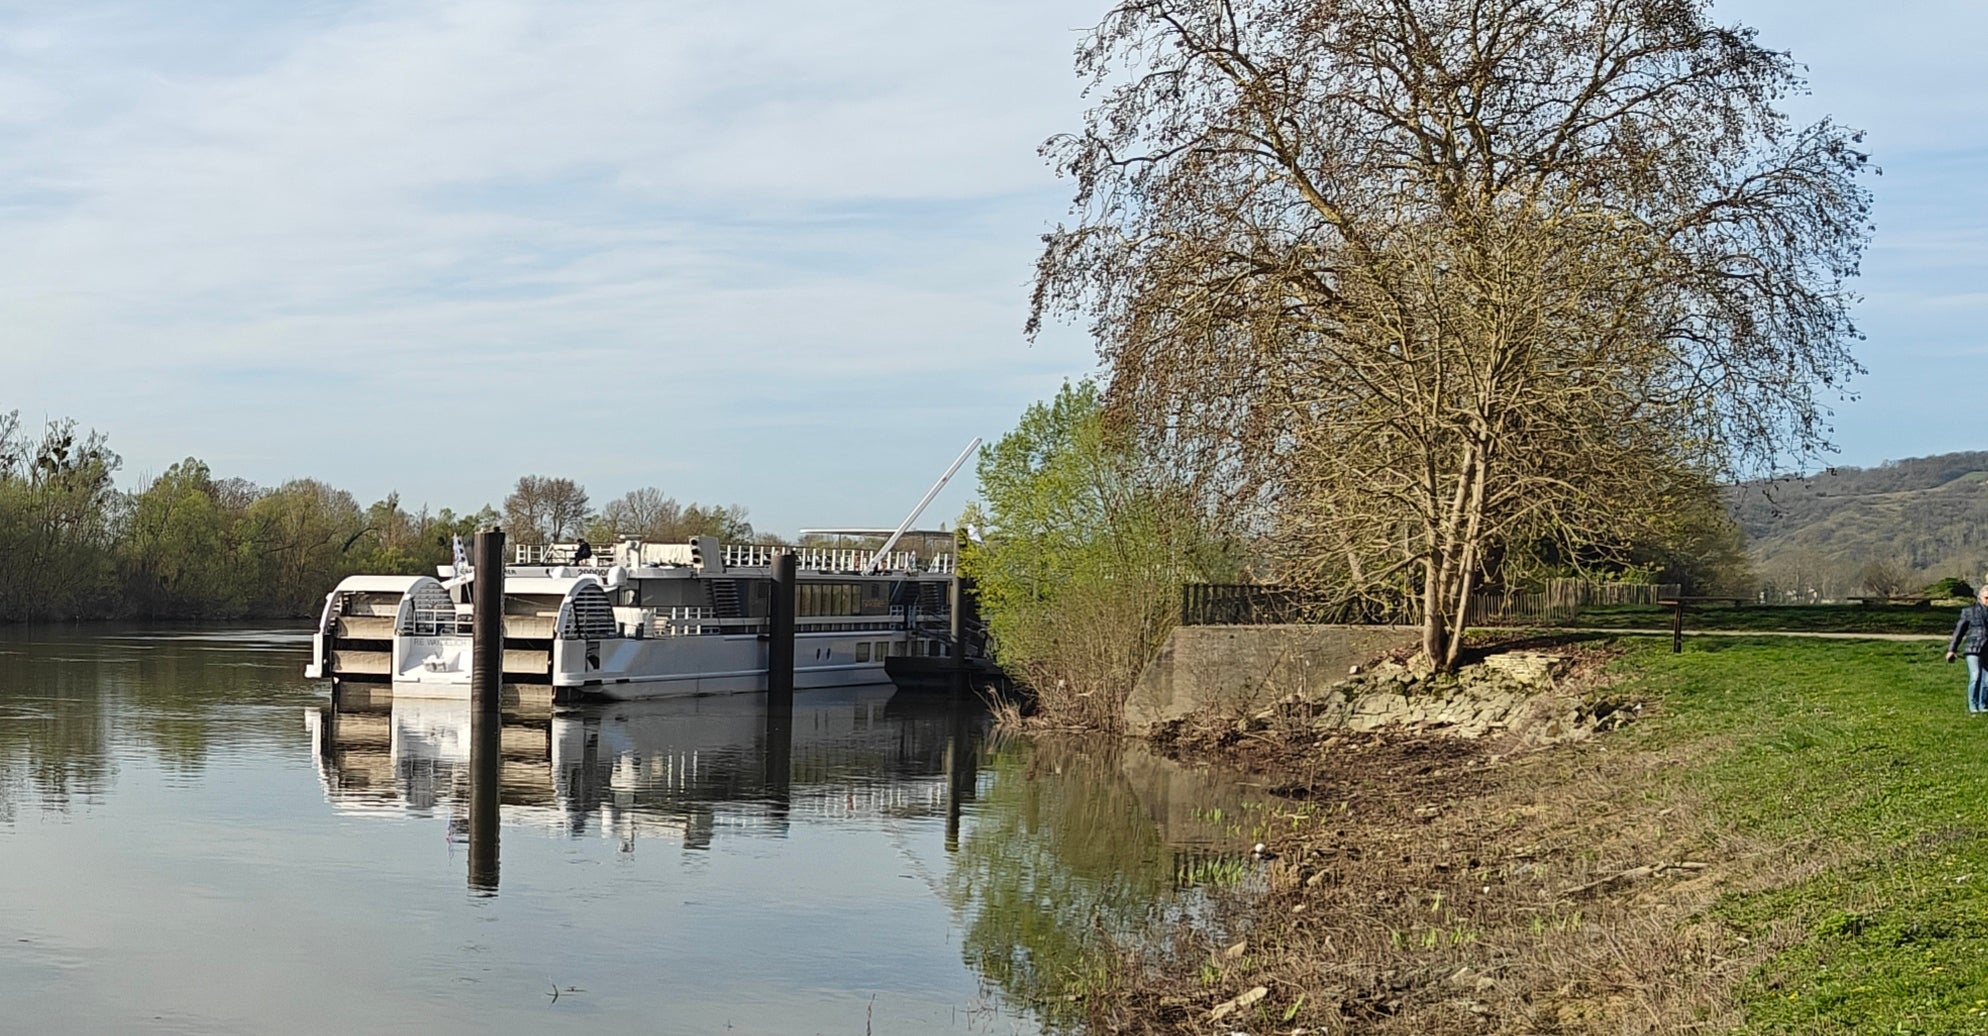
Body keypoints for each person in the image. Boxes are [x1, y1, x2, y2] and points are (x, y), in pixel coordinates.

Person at [1946, 586, 1988, 713]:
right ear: (1980, 598)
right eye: (1987, 598)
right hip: (1973, 648)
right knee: (1976, 676)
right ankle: (1973, 705)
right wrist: (1952, 650)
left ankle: (1983, 704)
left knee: (1987, 681)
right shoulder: (1969, 611)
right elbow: (1958, 632)